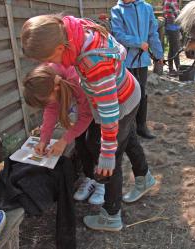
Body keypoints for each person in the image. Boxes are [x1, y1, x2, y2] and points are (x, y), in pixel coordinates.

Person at [21, 14, 156, 232]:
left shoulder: (93, 65)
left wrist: (106, 155)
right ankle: (144, 178)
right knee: (126, 139)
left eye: (49, 58)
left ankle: (112, 216)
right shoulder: (69, 30)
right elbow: (54, 106)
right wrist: (45, 137)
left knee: (110, 156)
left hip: (121, 103)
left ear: (58, 48)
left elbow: (110, 113)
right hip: (126, 92)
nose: (50, 63)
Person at [23, 63, 105, 205]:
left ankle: (103, 183)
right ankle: (90, 177)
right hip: (83, 109)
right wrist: (44, 140)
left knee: (95, 144)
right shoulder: (47, 83)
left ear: (55, 89)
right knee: (80, 143)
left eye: (47, 100)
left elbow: (87, 116)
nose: (48, 104)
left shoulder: (76, 80)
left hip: (101, 107)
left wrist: (64, 140)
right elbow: (51, 110)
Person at [111, 0, 164, 139]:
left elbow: (153, 33)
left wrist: (158, 54)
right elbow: (118, 35)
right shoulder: (117, 10)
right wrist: (138, 43)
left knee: (142, 92)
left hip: (142, 61)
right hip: (126, 61)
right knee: (126, 95)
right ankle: (129, 128)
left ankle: (141, 126)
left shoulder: (147, 8)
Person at [163, 0, 181, 76]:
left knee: (172, 48)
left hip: (174, 27)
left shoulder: (172, 1)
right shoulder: (169, 2)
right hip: (172, 27)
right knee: (175, 48)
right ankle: (178, 68)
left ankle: (172, 68)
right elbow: (174, 15)